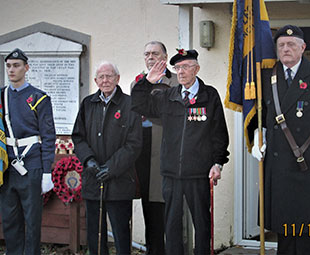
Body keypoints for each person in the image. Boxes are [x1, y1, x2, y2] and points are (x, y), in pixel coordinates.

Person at [132, 49, 230, 255]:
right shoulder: (167, 96)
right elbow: (138, 104)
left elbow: (219, 134)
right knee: (172, 225)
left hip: (199, 173)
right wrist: (147, 82)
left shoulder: (209, 95)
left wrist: (218, 163)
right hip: (171, 174)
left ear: (197, 69)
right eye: (177, 68)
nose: (181, 72)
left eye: (186, 67)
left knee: (202, 224)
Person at [252, 25, 310, 255]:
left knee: (304, 226)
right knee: (284, 226)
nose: (286, 49)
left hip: (307, 162)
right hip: (279, 162)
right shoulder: (266, 75)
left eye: (291, 44)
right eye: (281, 45)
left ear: (303, 48)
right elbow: (259, 113)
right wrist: (256, 135)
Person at [72, 61, 142, 255]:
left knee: (121, 233)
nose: (105, 80)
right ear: (95, 80)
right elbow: (78, 137)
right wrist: (88, 160)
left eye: (109, 76)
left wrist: (111, 167)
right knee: (95, 234)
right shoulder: (88, 103)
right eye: (101, 77)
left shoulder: (130, 105)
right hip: (93, 179)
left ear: (117, 79)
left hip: (119, 180)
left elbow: (134, 143)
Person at [0, 48, 56, 255]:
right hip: (7, 166)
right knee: (10, 219)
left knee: (32, 221)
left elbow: (49, 136)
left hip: (31, 164)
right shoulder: (0, 97)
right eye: (8, 66)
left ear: (26, 68)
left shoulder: (38, 98)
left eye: (16, 65)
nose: (11, 70)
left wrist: (46, 171)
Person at [130, 41, 178, 255]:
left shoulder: (176, 81)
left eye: (155, 53)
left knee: (172, 208)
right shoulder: (137, 83)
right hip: (145, 152)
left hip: (170, 149)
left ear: (165, 57)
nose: (150, 57)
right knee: (151, 208)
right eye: (147, 53)